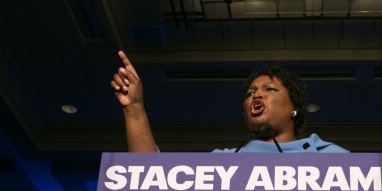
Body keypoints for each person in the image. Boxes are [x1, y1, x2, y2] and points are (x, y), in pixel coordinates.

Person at [109, 50, 348, 153]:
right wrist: (134, 108)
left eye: (270, 89)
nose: (256, 95)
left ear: (294, 107)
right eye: (250, 93)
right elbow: (149, 181)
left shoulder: (324, 154)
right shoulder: (224, 162)